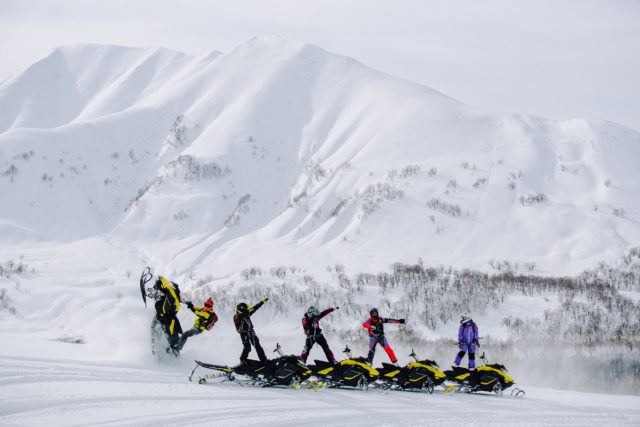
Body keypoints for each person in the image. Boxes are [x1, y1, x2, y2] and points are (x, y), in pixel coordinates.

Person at [234, 298, 269, 364]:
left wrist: (262, 302)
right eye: (246, 309)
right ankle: (242, 360)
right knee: (248, 348)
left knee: (257, 346)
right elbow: (239, 326)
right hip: (244, 333)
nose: (247, 309)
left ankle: (264, 360)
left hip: (251, 331)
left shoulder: (245, 313)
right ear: (242, 309)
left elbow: (255, 308)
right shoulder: (239, 317)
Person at [153, 276, 183, 354]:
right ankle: (173, 345)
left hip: (169, 313)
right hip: (171, 313)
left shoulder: (168, 287)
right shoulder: (170, 291)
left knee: (160, 310)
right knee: (161, 310)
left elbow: (163, 285)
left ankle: (173, 345)